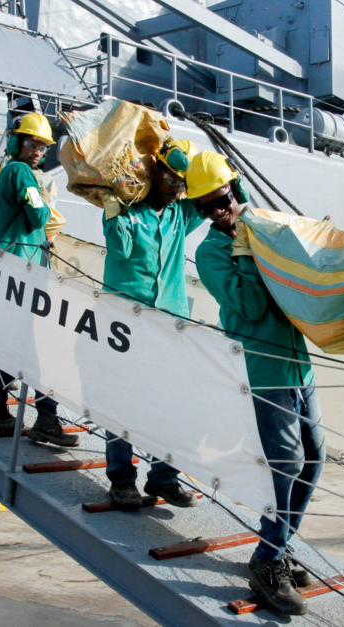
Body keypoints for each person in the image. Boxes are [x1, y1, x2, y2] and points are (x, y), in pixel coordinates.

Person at [190, 152, 324, 616]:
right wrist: (246, 251)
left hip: (299, 367)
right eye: (207, 206)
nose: (219, 210)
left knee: (314, 458)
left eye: (223, 199)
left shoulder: (261, 227)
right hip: (264, 371)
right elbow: (249, 305)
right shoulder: (211, 253)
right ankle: (269, 559)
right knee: (286, 464)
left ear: (236, 190)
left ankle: (277, 545)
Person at [100, 138, 202, 509]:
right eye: (172, 179)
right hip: (127, 324)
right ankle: (121, 480)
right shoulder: (128, 211)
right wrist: (114, 202)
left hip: (170, 325)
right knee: (122, 401)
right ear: (154, 173)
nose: (179, 188)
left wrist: (221, 174)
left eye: (183, 182)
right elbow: (120, 249)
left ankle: (164, 478)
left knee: (173, 402)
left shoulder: (180, 215)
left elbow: (218, 194)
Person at [0, 112, 76, 448]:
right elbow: (37, 215)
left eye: (42, 147)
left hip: (10, 267)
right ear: (16, 143)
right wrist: (46, 203)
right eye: (32, 144)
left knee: (11, 343)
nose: (37, 152)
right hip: (23, 269)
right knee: (40, 347)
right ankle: (46, 419)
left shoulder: (7, 171)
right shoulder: (21, 172)